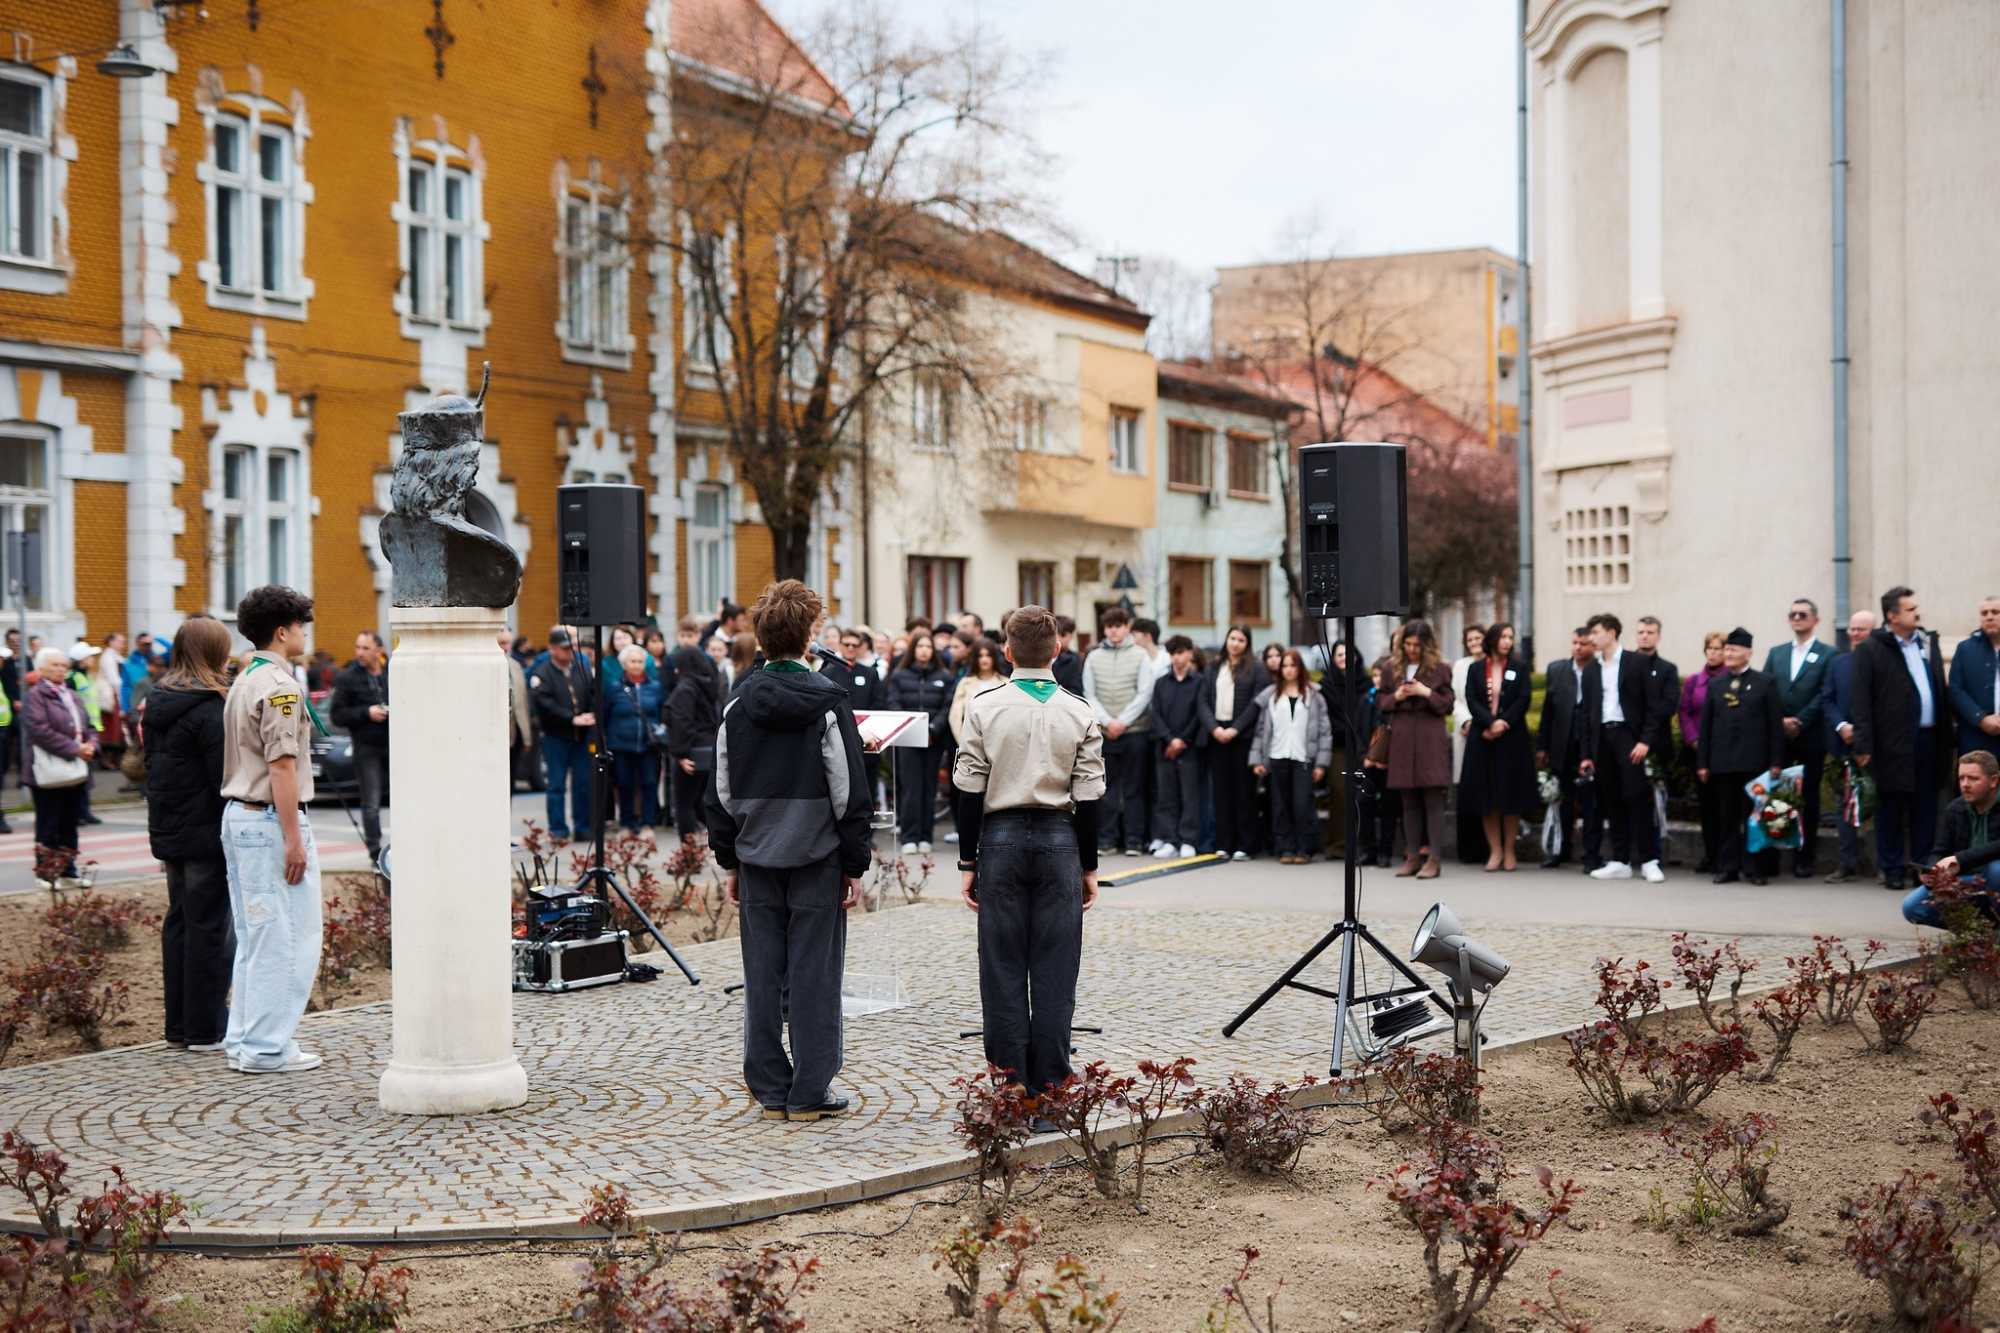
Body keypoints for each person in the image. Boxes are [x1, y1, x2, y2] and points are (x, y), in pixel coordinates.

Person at [706, 579, 871, 1122]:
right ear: (809, 638)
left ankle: (770, 1087)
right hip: (816, 854)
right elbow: (847, 790)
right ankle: (810, 1088)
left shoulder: (736, 705)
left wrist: (729, 857)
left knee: (762, 975)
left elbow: (721, 791)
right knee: (814, 974)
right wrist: (854, 861)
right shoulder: (828, 703)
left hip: (756, 854)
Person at [953, 604, 1104, 1100]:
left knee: (1001, 964)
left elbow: (968, 789)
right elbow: (1089, 797)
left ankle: (1009, 1085)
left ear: (1006, 650)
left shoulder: (984, 705)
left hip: (1000, 838)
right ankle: (1053, 1082)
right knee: (1057, 966)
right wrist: (1089, 866)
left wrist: (968, 862)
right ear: (1058, 649)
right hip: (1060, 839)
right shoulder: (1080, 711)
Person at [219, 585, 322, 1075]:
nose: (305, 632)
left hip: (242, 817)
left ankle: (244, 1037)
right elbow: (282, 767)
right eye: (301, 624)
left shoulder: (246, 677)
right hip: (267, 818)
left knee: (255, 934)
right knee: (288, 937)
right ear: (282, 632)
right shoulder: (279, 687)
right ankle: (266, 1047)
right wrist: (294, 838)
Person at [147, 616, 235, 1052]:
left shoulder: (159, 699)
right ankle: (205, 1029)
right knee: (209, 926)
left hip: (169, 827)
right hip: (205, 830)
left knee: (180, 920)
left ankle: (178, 1027)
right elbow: (222, 776)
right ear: (215, 653)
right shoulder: (209, 707)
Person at [1851, 585, 1950, 890]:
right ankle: (1892, 868)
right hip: (1891, 745)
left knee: (1925, 808)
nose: (1917, 613)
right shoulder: (1872, 649)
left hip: (1928, 741)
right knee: (1891, 808)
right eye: (1909, 609)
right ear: (1892, 616)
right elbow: (1860, 701)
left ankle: (1921, 867)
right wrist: (1864, 746)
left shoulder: (1926, 642)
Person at [1583, 612, 1667, 883]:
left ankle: (1649, 860)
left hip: (1628, 737)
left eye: (1596, 632)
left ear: (1611, 632)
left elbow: (1653, 707)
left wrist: (1645, 740)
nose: (1592, 638)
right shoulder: (1592, 669)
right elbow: (1585, 714)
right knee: (1611, 799)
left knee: (1637, 797)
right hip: (1602, 740)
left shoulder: (1636, 662)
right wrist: (1587, 753)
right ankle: (1620, 860)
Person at [1697, 628, 1785, 885]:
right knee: (1726, 818)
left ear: (1749, 653)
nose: (1728, 653)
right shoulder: (1716, 684)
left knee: (1754, 818)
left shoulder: (1765, 682)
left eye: (1734, 649)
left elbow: (1774, 727)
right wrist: (1703, 762)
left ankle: (1755, 868)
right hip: (1723, 763)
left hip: (1755, 763)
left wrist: (1776, 761)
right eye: (1727, 649)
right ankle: (1728, 867)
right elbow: (1706, 726)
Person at [1762, 598, 1835, 878]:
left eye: (1802, 614)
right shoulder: (1777, 653)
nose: (1797, 618)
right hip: (1779, 735)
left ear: (1815, 619)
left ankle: (1805, 858)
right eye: (1792, 614)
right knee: (1776, 795)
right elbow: (1768, 689)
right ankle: (1774, 857)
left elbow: (1824, 692)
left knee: (1809, 798)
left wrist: (1801, 720)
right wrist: (1780, 720)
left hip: (1810, 734)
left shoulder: (1827, 654)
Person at [1379, 619, 1455, 879]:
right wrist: (1397, 697)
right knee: (1408, 801)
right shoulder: (1391, 668)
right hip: (1402, 739)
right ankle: (1412, 856)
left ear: (1427, 645)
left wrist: (1425, 692)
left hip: (1429, 738)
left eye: (1417, 645)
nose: (1412, 649)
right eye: (1408, 644)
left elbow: (1447, 705)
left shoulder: (1441, 669)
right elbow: (1380, 701)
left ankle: (1433, 859)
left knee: (1433, 801)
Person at [1461, 622, 1535, 872]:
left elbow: (1524, 699)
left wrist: (1503, 723)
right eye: (1503, 636)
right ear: (1492, 640)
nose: (1508, 641)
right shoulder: (1475, 669)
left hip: (1511, 739)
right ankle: (1495, 850)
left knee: (1509, 795)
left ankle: (1510, 850)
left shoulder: (1520, 668)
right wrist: (1489, 723)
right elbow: (1471, 698)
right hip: (1482, 738)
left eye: (1510, 637)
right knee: (1486, 796)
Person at [1081, 608, 1153, 859]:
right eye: (1109, 626)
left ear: (1127, 627)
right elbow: (1089, 694)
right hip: (1104, 733)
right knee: (1106, 789)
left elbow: (1144, 693)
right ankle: (1107, 840)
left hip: (1135, 732)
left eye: (1119, 625)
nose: (1114, 630)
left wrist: (1122, 721)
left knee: (1134, 789)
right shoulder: (1093, 657)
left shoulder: (1140, 656)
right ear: (1104, 629)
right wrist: (1107, 721)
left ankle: (1134, 840)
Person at [1250, 648, 1332, 865]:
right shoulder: (1271, 695)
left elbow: (1324, 731)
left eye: (1292, 665)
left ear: (1300, 668)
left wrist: (1321, 763)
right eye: (1284, 665)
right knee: (1280, 805)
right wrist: (1257, 759)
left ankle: (1305, 848)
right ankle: (1285, 847)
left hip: (1303, 757)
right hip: (1277, 755)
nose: (1288, 670)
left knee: (1302, 804)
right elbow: (1261, 730)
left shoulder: (1314, 696)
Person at [23, 645, 95, 888]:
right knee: (48, 822)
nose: (61, 669)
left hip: (75, 769)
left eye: (64, 665)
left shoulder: (71, 695)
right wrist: (75, 749)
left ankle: (68, 871)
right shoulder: (36, 695)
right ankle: (46, 872)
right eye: (55, 665)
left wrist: (91, 744)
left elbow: (88, 726)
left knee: (70, 822)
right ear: (41, 668)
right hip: (47, 769)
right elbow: (40, 730)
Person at [1907, 751, 2000, 928]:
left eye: (1973, 778)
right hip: (1967, 881)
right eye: (1961, 778)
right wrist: (1933, 871)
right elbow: (1940, 850)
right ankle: (1978, 936)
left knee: (1996, 870)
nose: (1965, 785)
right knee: (1912, 907)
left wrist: (1960, 859)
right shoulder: (1955, 809)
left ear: (1993, 781)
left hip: (1993, 880)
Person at [1200, 624, 1267, 862]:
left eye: (1240, 639)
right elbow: (1203, 702)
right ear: (1226, 640)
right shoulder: (1214, 666)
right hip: (1217, 735)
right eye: (1232, 638)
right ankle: (1224, 843)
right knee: (1221, 793)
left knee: (1244, 792)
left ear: (1247, 643)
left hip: (1243, 738)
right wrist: (1215, 728)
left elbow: (1256, 704)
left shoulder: (1257, 669)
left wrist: (1236, 729)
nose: (1235, 643)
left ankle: (1245, 844)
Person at [1822, 607, 1879, 883]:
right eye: (1852, 629)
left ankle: (1883, 865)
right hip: (1843, 746)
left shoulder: (1883, 662)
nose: (1855, 634)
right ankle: (1847, 864)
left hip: (1875, 748)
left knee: (1878, 806)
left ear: (1874, 632)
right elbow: (1828, 699)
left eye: (1862, 629)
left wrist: (1864, 734)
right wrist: (1842, 726)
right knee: (1844, 806)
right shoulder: (1838, 662)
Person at [1537, 627, 1600, 871]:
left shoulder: (1599, 669)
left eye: (1583, 643)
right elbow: (1547, 712)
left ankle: (1591, 854)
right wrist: (1542, 746)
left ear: (1592, 646)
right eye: (1574, 642)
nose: (1577, 647)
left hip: (1589, 746)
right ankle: (1560, 850)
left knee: (1590, 802)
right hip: (1562, 745)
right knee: (1563, 801)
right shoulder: (1557, 669)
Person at [887, 630, 953, 853]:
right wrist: (911, 726)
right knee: (910, 789)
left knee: (929, 788)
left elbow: (947, 706)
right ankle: (909, 837)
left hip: (934, 739)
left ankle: (926, 836)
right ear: (913, 649)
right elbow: (893, 703)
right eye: (920, 646)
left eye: (928, 646)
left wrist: (934, 727)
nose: (924, 650)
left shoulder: (944, 676)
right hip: (908, 739)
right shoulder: (899, 675)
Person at [529, 628, 597, 841]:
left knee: (583, 783)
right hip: (556, 735)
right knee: (556, 784)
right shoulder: (542, 672)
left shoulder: (581, 668)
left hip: (581, 734)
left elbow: (592, 691)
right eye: (565, 649)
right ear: (552, 649)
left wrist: (590, 713)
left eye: (572, 648)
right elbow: (544, 703)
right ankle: (558, 829)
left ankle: (583, 827)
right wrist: (570, 718)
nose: (570, 653)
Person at [329, 631, 391, 866]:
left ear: (379, 650)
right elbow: (337, 715)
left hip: (394, 744)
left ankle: (406, 846)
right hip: (366, 747)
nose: (359, 653)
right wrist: (367, 712)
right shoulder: (347, 678)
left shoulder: (392, 672)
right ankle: (375, 851)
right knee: (371, 802)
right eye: (358, 647)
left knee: (403, 799)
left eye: (365, 648)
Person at [666, 624, 722, 842]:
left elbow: (682, 723)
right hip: (708, 750)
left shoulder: (685, 689)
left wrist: (680, 754)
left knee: (684, 805)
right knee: (701, 802)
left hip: (690, 753)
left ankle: (688, 857)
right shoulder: (709, 685)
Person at [1150, 634, 1203, 859]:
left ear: (1190, 653)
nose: (1177, 658)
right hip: (1165, 747)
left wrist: (1182, 740)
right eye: (1173, 654)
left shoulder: (1200, 681)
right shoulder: (1162, 683)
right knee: (1166, 795)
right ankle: (1170, 839)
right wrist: (1169, 739)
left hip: (1189, 747)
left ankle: (1188, 839)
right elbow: (1156, 714)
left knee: (1189, 795)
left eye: (1181, 652)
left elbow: (1199, 714)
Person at [604, 643, 665, 835]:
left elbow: (662, 713)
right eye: (633, 661)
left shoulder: (655, 687)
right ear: (624, 664)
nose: (637, 665)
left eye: (640, 661)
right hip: (622, 745)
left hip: (648, 745)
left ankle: (648, 824)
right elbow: (605, 715)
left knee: (649, 784)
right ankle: (626, 824)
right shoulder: (614, 688)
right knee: (624, 785)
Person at [1633, 615, 1680, 865]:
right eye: (1641, 631)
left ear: (1658, 636)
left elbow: (1668, 705)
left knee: (1654, 803)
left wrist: (1646, 732)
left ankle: (1652, 855)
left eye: (1650, 632)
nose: (1645, 636)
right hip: (1628, 745)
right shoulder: (1624, 664)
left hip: (1655, 746)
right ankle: (1626, 855)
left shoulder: (1667, 669)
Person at [1680, 631, 1728, 874]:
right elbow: (1685, 713)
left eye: (1719, 649)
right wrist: (1693, 739)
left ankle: (1726, 856)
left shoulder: (1732, 679)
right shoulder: (1693, 681)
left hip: (1726, 752)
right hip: (1700, 751)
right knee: (1706, 806)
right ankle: (1710, 854)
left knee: (1725, 806)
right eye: (1710, 648)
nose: (1714, 653)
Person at [1449, 624, 1487, 866]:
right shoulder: (1460, 666)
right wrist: (1466, 721)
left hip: (1485, 732)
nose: (1474, 642)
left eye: (1478, 638)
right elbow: (1457, 698)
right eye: (1470, 639)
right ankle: (1467, 850)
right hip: (1465, 731)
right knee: (1465, 790)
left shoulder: (1493, 664)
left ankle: (1485, 849)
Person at [1948, 595, 2000, 764]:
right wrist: (1981, 719)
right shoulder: (1965, 649)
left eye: (1995, 612)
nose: (1989, 616)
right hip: (1976, 737)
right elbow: (1956, 689)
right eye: (1984, 613)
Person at [950, 638, 1007, 743]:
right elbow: (955, 716)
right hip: (970, 741)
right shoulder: (965, 683)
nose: (984, 659)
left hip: (999, 743)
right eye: (980, 656)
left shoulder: (1006, 683)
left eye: (988, 655)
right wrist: (963, 743)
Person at [500, 630, 535, 793]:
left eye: (507, 643)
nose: (505, 647)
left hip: (517, 731)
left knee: (510, 781)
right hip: (498, 732)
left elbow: (522, 701)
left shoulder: (515, 665)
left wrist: (527, 737)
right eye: (501, 643)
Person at [1051, 616, 1085, 695]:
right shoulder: (1042, 656)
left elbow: (1077, 689)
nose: (1058, 638)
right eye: (1056, 634)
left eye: (1063, 635)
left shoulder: (1076, 659)